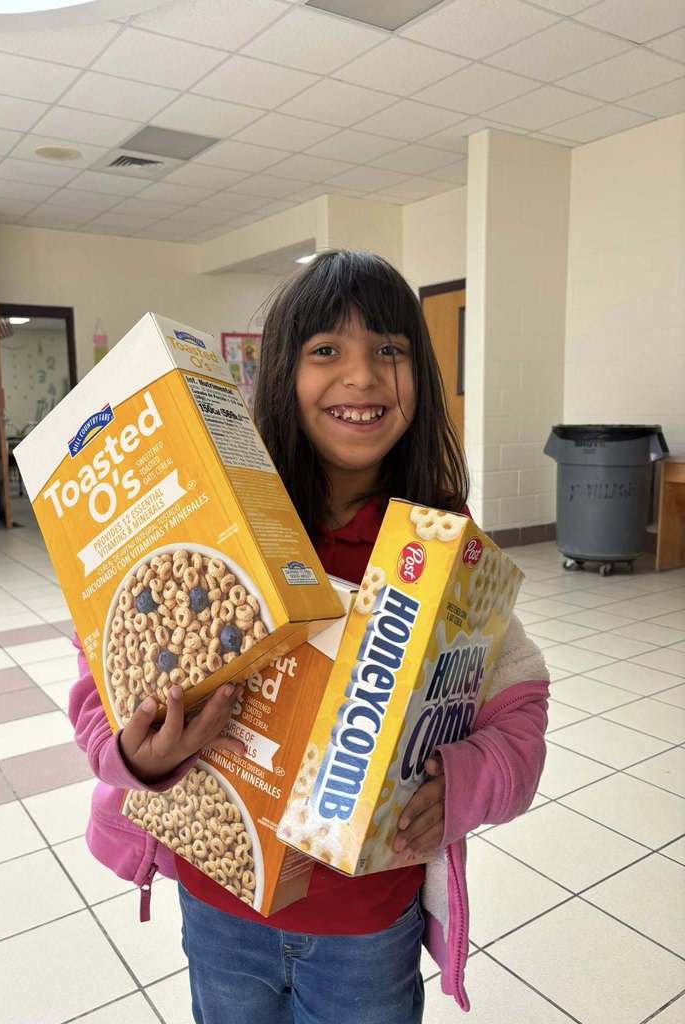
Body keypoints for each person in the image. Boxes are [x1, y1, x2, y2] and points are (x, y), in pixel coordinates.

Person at [69, 250, 549, 1021]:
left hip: (364, 925)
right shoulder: (218, 521)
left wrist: (467, 783)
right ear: (282, 373)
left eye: (388, 351)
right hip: (219, 903)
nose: (360, 377)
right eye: (326, 350)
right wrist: (128, 753)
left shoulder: (442, 545)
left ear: (418, 378)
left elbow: (520, 715)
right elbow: (103, 676)